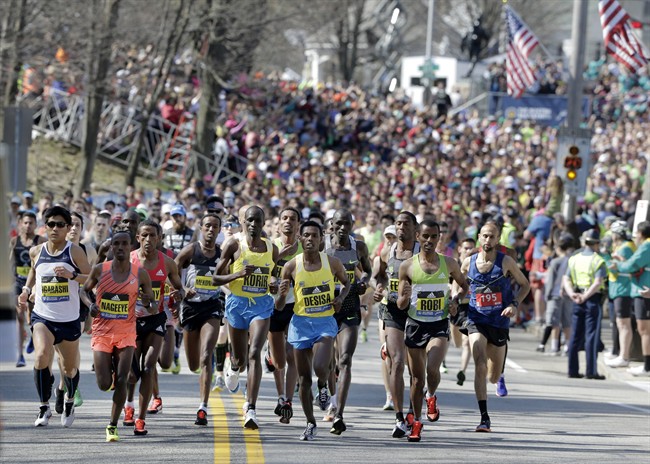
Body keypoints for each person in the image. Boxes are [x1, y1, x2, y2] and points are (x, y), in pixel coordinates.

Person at [276, 220, 351, 441]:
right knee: (303, 378)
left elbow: (347, 284)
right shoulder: (291, 266)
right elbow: (279, 306)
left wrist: (340, 298)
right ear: (300, 238)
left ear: (321, 239)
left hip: (325, 322)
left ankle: (324, 387)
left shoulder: (333, 263)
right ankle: (310, 423)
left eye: (314, 236)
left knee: (320, 366)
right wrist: (281, 294)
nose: (310, 239)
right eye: (306, 235)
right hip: (300, 325)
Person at [18, 206, 91, 427]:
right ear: (45, 226)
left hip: (68, 319)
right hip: (43, 316)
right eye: (51, 224)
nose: (55, 228)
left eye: (60, 224)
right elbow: (33, 270)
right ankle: (44, 407)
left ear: (69, 228)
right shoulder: (36, 251)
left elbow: (90, 279)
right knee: (41, 355)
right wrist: (26, 290)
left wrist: (73, 275)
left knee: (69, 368)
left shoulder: (75, 251)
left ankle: (69, 400)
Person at [396, 219, 469, 442]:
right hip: (415, 325)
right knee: (416, 379)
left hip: (438, 324)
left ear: (440, 238)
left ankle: (432, 395)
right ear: (417, 236)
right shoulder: (407, 266)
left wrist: (455, 299)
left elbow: (465, 286)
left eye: (433, 237)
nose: (429, 241)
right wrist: (405, 297)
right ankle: (417, 422)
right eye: (425, 236)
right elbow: (400, 304)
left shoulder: (450, 263)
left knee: (433, 369)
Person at [80, 229, 154, 442]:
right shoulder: (100, 270)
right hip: (102, 332)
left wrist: (148, 300)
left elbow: (150, 302)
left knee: (123, 380)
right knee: (104, 384)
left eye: (124, 244)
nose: (120, 247)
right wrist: (91, 305)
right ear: (111, 247)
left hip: (126, 333)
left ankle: (112, 426)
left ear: (130, 247)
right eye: (116, 244)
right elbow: (83, 291)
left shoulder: (139, 273)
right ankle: (109, 372)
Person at [460, 223, 530, 432]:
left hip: (499, 322)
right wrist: (455, 297)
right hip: (476, 319)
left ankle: (500, 373)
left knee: (492, 375)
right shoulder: (467, 262)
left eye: (492, 237)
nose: (488, 241)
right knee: (479, 363)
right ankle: (484, 418)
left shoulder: (506, 261)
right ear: (479, 237)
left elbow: (524, 285)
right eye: (485, 236)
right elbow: (460, 284)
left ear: (498, 240)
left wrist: (513, 304)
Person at [214, 206, 279, 430]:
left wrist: (274, 284)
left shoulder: (272, 248)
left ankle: (250, 408)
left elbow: (275, 279)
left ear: (263, 222)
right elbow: (215, 278)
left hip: (261, 305)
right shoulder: (234, 245)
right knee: (240, 359)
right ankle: (232, 367)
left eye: (258, 220)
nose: (253, 224)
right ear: (243, 221)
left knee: (255, 353)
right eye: (249, 220)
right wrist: (238, 274)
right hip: (237, 304)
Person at [124, 219, 184, 435]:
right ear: (138, 238)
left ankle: (141, 419)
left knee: (149, 367)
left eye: (153, 236)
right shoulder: (128, 260)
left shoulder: (167, 263)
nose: (148, 240)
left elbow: (180, 289)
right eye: (145, 235)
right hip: (130, 322)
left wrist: (178, 297)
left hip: (155, 319)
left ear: (159, 239)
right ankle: (128, 405)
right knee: (132, 373)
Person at [322, 209, 372, 433]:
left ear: (352, 225)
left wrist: (364, 282)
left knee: (344, 360)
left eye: (347, 224)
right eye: (338, 224)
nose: (342, 228)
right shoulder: (322, 246)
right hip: (324, 307)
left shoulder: (358, 247)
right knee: (326, 364)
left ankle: (339, 413)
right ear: (332, 224)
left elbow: (368, 271)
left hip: (350, 306)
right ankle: (328, 395)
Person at [372, 211, 420, 438]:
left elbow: (443, 278)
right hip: (391, 309)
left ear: (415, 228)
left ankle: (414, 411)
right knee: (397, 362)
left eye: (406, 224)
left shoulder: (424, 252)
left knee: (417, 371)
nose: (401, 227)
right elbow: (378, 276)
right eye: (398, 223)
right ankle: (399, 418)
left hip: (418, 313)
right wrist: (378, 288)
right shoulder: (387, 251)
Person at [175, 213, 224, 425]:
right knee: (194, 364)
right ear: (201, 228)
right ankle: (202, 375)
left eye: (215, 226)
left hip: (212, 307)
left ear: (219, 230)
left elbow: (228, 276)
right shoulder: (191, 250)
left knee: (206, 356)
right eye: (207, 226)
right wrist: (183, 288)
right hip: (191, 308)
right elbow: (173, 269)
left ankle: (202, 407)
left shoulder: (222, 254)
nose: (211, 230)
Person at [268, 207, 302, 424]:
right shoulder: (271, 247)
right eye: (285, 218)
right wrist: (271, 280)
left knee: (293, 355)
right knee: (279, 360)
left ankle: (287, 401)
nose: (288, 222)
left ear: (298, 224)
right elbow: (263, 272)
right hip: (272, 306)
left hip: (295, 306)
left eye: (292, 219)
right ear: (279, 223)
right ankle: (280, 394)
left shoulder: (303, 249)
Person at [562, 229, 607, 380]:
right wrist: (586, 296)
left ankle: (572, 370)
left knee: (575, 335)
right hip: (591, 299)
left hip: (576, 297)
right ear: (596, 243)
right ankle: (591, 371)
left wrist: (572, 294)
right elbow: (598, 282)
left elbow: (566, 279)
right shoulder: (598, 260)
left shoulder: (574, 259)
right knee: (591, 336)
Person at [609, 221, 650, 376]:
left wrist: (619, 264)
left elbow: (632, 265)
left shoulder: (647, 245)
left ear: (641, 233)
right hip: (642, 290)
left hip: (643, 290)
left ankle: (647, 367)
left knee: (644, 329)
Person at [10, 211, 45, 367]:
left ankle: (32, 336)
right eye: (25, 222)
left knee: (32, 316)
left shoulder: (41, 241)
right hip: (18, 282)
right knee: (20, 315)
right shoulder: (14, 241)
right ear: (20, 224)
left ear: (36, 225)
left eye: (31, 223)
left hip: (35, 282)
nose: (28, 225)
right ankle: (20, 354)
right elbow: (10, 262)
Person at [605, 221, 636, 368]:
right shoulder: (623, 247)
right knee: (620, 323)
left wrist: (606, 260)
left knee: (623, 323)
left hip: (623, 289)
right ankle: (619, 353)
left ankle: (623, 356)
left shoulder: (625, 248)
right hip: (619, 289)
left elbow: (620, 269)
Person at [537, 233, 575, 355]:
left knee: (554, 322)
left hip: (555, 294)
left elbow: (551, 281)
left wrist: (547, 295)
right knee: (567, 322)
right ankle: (567, 347)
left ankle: (554, 347)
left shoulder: (555, 262)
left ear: (559, 249)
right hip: (568, 294)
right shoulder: (572, 261)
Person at [449, 237, 476, 386]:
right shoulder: (452, 264)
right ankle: (443, 361)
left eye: (471, 248)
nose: (468, 251)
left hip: (471, 308)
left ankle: (462, 371)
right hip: (455, 307)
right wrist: (453, 296)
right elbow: (451, 283)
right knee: (456, 342)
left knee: (466, 342)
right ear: (459, 249)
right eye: (466, 248)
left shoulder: (477, 265)